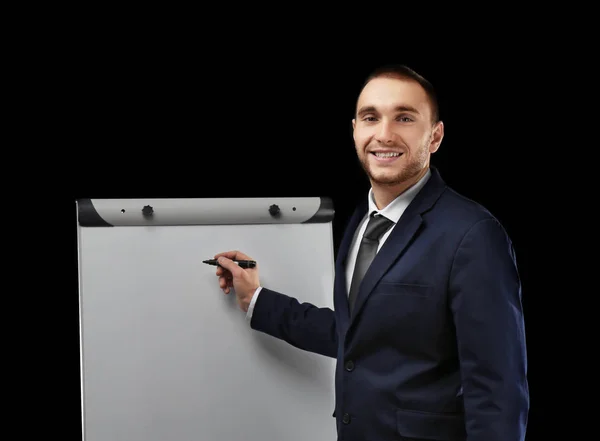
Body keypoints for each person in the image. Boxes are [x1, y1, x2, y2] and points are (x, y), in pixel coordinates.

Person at [211, 64, 529, 441]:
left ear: (435, 136)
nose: (384, 134)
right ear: (354, 130)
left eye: (405, 118)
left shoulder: (473, 235)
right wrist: (257, 299)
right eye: (370, 117)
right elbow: (358, 334)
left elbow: (497, 389)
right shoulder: (362, 220)